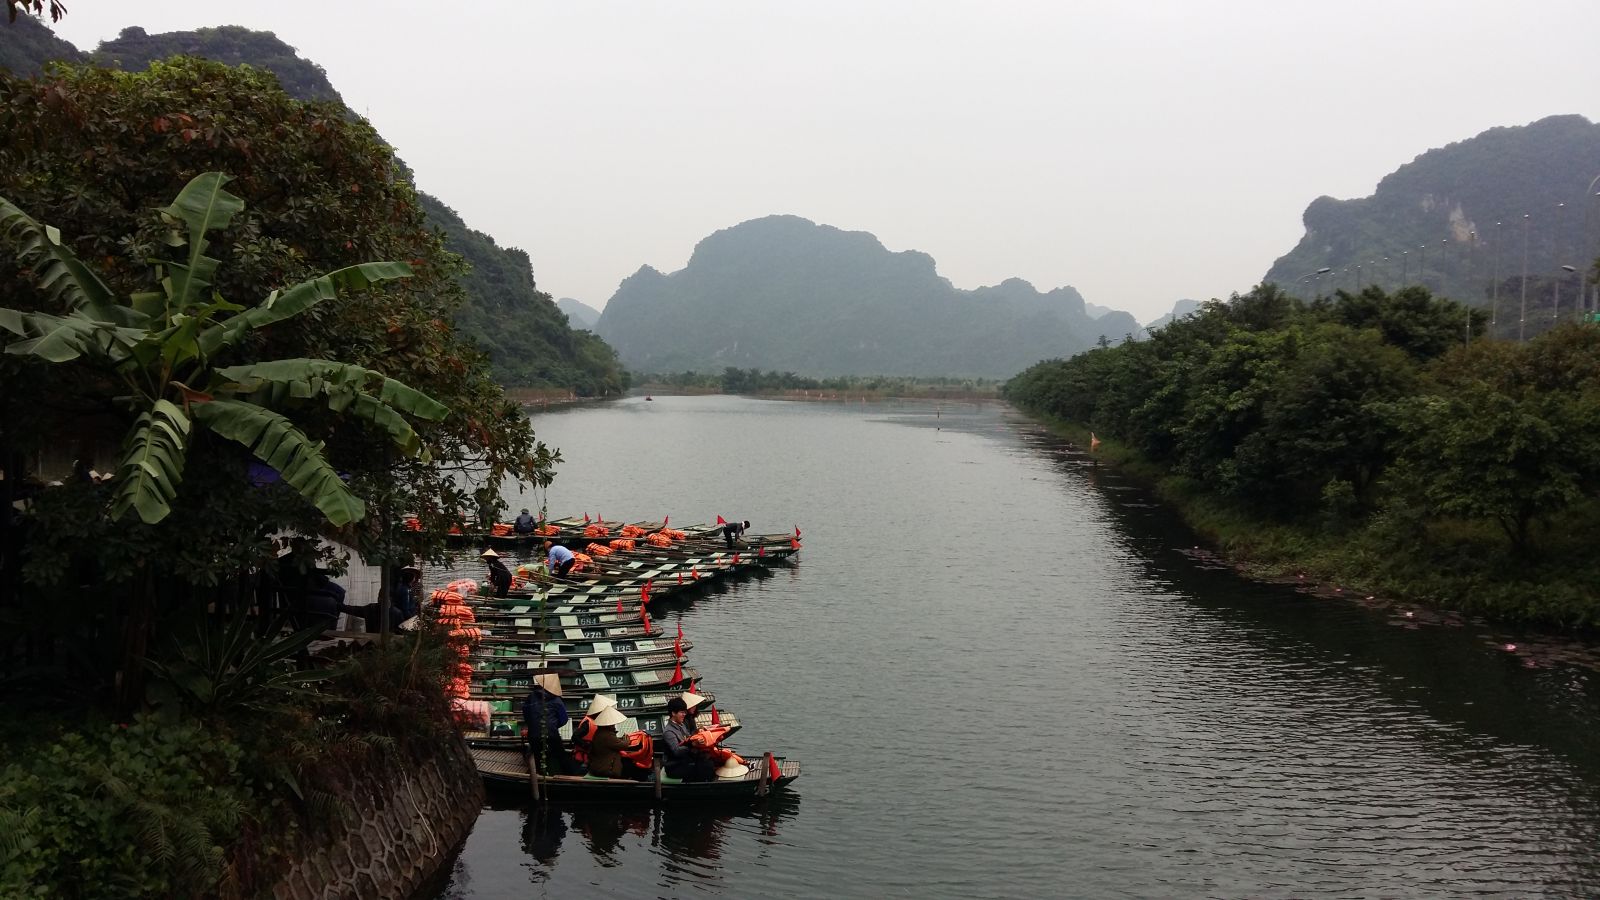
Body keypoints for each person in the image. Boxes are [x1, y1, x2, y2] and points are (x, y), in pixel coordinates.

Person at [522, 673, 576, 775]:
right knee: (561, 755)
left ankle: (540, 776)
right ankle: (570, 774)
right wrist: (554, 726)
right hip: (551, 733)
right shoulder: (556, 700)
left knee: (538, 757)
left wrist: (533, 724)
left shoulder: (531, 697)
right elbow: (564, 719)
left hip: (533, 733)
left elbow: (526, 713)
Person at [661, 697, 717, 782]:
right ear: (673, 713)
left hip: (685, 761)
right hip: (674, 767)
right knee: (704, 767)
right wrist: (692, 745)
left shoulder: (682, 725)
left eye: (685, 712)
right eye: (681, 712)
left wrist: (700, 734)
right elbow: (676, 751)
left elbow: (689, 737)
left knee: (709, 760)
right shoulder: (668, 732)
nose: (684, 714)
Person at [584, 706, 636, 778]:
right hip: (605, 769)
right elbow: (623, 745)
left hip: (598, 767)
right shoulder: (607, 735)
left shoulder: (600, 732)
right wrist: (627, 739)